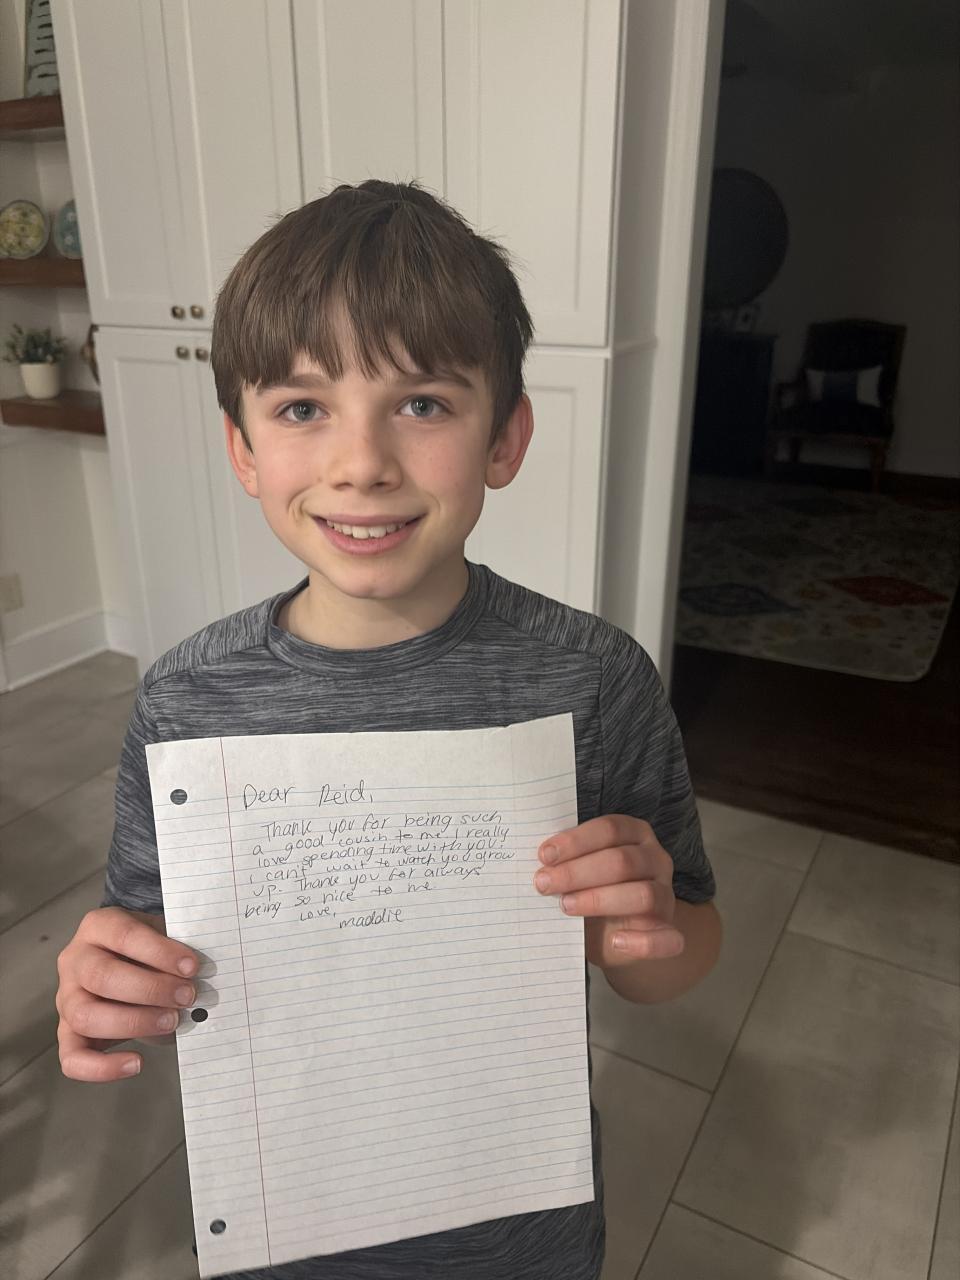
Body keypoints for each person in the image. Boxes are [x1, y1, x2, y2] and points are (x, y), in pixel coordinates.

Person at [55, 179, 722, 1279]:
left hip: (518, 1231)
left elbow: (678, 952)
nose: (361, 462)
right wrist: (106, 985)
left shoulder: (595, 679)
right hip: (285, 1221)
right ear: (242, 449)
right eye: (301, 408)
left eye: (422, 403)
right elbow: (151, 948)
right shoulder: (187, 700)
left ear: (505, 436)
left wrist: (641, 929)